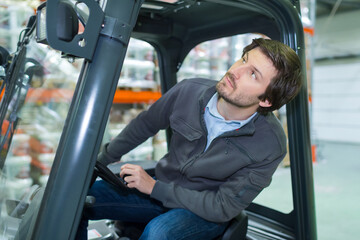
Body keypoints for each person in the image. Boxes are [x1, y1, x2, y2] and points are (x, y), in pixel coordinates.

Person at [76, 38, 302, 240]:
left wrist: (154, 187)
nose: (236, 71)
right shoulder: (188, 91)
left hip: (202, 212)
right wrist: (99, 162)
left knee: (159, 233)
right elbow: (144, 125)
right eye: (243, 60)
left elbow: (223, 207)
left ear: (266, 101)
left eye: (253, 74)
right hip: (159, 189)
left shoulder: (270, 144)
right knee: (76, 200)